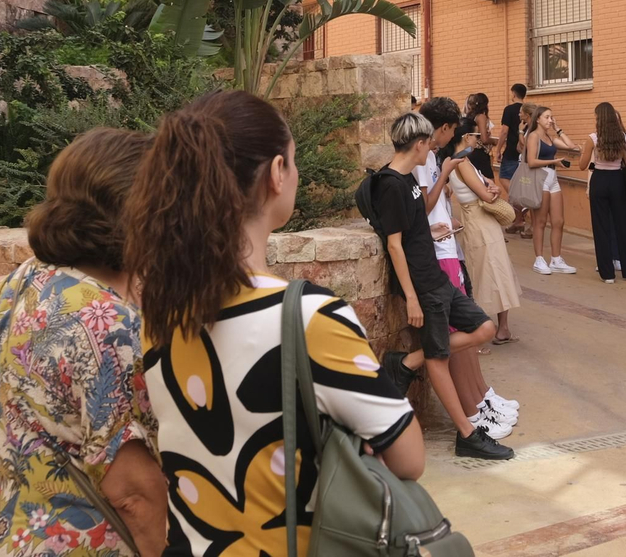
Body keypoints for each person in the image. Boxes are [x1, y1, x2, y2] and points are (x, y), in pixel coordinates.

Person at [121, 91, 430, 553]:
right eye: (293, 160)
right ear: (276, 173)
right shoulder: (310, 318)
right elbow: (409, 458)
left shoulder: (161, 314)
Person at [0, 128, 168, 557]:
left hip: (7, 537)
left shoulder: (33, 277)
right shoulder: (110, 325)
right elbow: (134, 494)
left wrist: (0, 383)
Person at [374, 111, 514, 460]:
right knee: (439, 357)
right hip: (424, 284)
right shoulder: (390, 183)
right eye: (429, 145)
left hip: (437, 276)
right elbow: (394, 245)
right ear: (419, 144)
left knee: (484, 327)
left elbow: (412, 226)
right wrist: (411, 298)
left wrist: (431, 231)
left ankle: (405, 364)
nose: (431, 151)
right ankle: (467, 434)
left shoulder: (407, 180)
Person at [416, 98, 518, 439]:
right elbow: (420, 208)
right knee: (455, 336)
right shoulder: (426, 158)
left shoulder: (433, 157)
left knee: (467, 330)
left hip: (448, 247)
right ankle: (472, 412)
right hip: (439, 252)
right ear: (445, 129)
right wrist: (445, 175)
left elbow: (437, 200)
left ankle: (481, 398)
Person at [448, 124, 523, 345]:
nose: (478, 140)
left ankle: (502, 328)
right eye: (475, 136)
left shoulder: (462, 161)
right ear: (465, 137)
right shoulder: (462, 162)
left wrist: (493, 188)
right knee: (488, 272)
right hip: (479, 221)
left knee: (490, 270)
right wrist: (494, 191)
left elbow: (488, 186)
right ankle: (491, 328)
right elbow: (485, 193)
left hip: (477, 220)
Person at [577, 102, 626, 283]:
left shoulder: (592, 139)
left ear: (598, 118)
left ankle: (606, 273)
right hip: (617, 180)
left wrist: (583, 153)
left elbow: (582, 165)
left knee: (600, 227)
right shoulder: (625, 137)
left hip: (599, 181)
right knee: (622, 226)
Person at [523, 105, 577, 275]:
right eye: (547, 117)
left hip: (552, 178)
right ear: (537, 119)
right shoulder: (533, 136)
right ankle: (539, 259)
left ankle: (556, 259)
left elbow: (571, 146)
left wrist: (557, 128)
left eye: (551, 117)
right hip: (540, 178)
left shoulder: (548, 136)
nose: (549, 120)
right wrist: (554, 162)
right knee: (539, 221)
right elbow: (531, 161)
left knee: (558, 221)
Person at [494, 84, 529, 233]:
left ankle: (520, 216)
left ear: (513, 94)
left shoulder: (509, 110)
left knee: (504, 179)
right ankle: (518, 219)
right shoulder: (529, 110)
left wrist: (498, 150)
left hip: (511, 153)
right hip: (526, 153)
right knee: (519, 184)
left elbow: (504, 132)